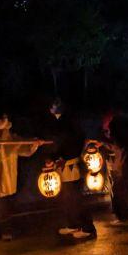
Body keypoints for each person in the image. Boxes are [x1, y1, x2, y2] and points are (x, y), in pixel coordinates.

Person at [40, 98, 96, 240]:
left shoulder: (68, 122)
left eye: (55, 105)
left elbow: (68, 143)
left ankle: (88, 228)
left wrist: (56, 156)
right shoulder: (63, 122)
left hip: (70, 162)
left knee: (75, 198)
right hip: (64, 162)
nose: (53, 108)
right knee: (68, 198)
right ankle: (73, 224)